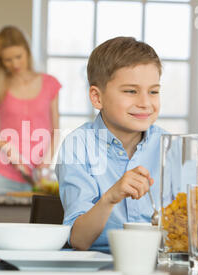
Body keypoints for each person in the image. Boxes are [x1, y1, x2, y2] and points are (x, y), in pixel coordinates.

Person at [55, 37, 167, 252]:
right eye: (131, 91)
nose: (145, 102)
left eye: (153, 91)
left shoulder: (169, 147)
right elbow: (79, 240)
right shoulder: (77, 146)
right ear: (97, 98)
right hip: (96, 268)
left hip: (157, 265)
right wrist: (110, 197)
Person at [0, 26, 62, 194]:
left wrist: (45, 164)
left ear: (28, 52)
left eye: (18, 56)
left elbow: (56, 131)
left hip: (39, 176)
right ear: (0, 61)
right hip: (3, 176)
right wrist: (8, 148)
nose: (15, 64)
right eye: (8, 60)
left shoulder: (49, 83)